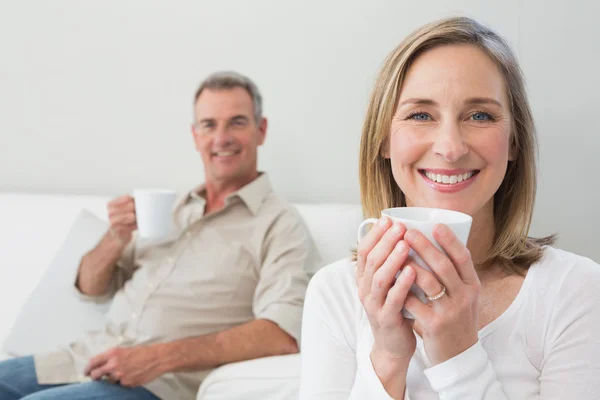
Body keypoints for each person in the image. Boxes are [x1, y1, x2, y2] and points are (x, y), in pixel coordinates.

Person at [299, 16, 600, 399]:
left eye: (480, 115)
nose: (450, 147)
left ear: (513, 144)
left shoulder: (575, 290)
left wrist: (458, 357)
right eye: (420, 115)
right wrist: (388, 357)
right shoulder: (335, 292)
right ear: (383, 141)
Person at [0, 71, 320, 400]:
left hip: (159, 385)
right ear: (195, 136)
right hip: (82, 360)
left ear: (261, 130)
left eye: (237, 122)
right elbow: (90, 289)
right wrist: (115, 238)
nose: (221, 138)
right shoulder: (170, 209)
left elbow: (281, 335)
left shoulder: (280, 224)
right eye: (209, 125)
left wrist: (158, 357)